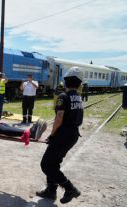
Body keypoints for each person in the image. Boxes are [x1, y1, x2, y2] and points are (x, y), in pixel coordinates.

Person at [36, 66, 83, 204]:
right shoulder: (78, 98)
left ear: (66, 81)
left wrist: (52, 135)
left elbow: (58, 119)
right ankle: (51, 191)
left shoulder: (64, 97)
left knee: (46, 165)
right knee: (54, 163)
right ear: (79, 83)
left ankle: (70, 188)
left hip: (63, 134)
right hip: (73, 134)